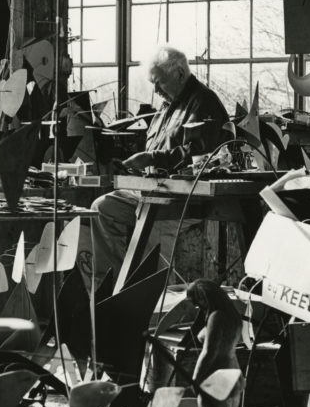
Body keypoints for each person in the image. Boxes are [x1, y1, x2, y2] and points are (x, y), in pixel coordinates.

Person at [91, 44, 229, 283]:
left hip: (187, 198)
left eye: (160, 82)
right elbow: (154, 149)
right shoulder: (166, 108)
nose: (155, 91)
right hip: (155, 191)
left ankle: (152, 302)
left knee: (153, 223)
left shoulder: (204, 103)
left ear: (179, 74)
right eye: (152, 83)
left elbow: (201, 154)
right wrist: (136, 163)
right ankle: (120, 285)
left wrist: (152, 158)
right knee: (103, 207)